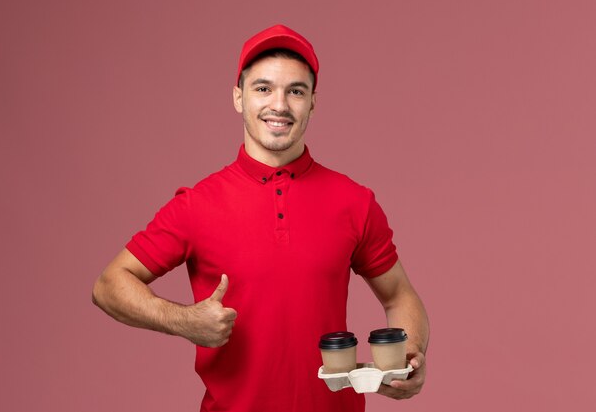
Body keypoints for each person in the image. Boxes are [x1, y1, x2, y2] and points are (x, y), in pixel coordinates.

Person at [92, 24, 429, 412]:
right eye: (263, 88)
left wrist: (412, 354)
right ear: (238, 97)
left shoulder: (354, 201)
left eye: (296, 91)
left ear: (313, 102)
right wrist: (183, 320)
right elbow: (108, 285)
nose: (280, 105)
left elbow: (400, 294)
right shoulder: (197, 205)